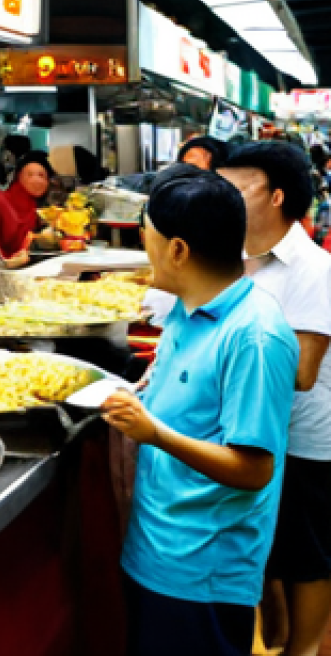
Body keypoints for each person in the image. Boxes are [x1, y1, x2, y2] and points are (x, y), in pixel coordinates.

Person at [103, 167, 298, 656]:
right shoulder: (188, 307)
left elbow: (254, 468)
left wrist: (154, 433)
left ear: (178, 250)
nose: (141, 244)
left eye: (146, 234)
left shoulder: (255, 336)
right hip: (155, 549)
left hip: (202, 571)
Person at [220, 142, 331, 656]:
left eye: (237, 187)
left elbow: (304, 373)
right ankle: (281, 637)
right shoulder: (237, 259)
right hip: (258, 429)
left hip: (307, 438)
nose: (221, 196)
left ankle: (306, 648)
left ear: (277, 196)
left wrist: (212, 369)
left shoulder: (314, 269)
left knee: (309, 555)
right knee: (272, 548)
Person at [0, 150, 55, 268]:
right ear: (18, 176)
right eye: (29, 175)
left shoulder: (35, 209)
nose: (36, 180)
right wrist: (6, 262)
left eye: (42, 176)